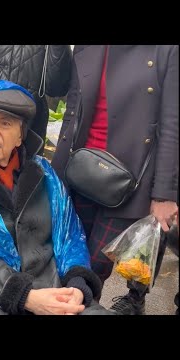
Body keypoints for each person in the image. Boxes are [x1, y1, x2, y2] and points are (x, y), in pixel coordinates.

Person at [0, 80, 112, 315]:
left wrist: (76, 285)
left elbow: (70, 237)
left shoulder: (44, 174)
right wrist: (24, 295)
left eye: (4, 123)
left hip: (51, 286)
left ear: (20, 137)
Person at [51, 45, 179, 315]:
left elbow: (172, 126)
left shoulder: (166, 50)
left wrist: (164, 194)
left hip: (129, 182)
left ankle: (129, 300)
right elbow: (71, 108)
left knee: (93, 268)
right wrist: (55, 175)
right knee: (66, 260)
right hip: (80, 173)